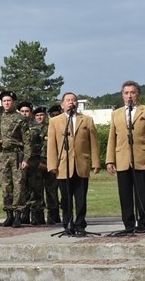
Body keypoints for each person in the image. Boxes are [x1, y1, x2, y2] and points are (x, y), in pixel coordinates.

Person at [105, 81, 145, 233]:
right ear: (122, 96)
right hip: (122, 159)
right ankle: (128, 224)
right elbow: (112, 138)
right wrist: (109, 160)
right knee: (125, 194)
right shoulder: (116, 113)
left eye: (132, 92)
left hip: (141, 158)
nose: (129, 96)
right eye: (126, 93)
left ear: (138, 94)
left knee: (143, 193)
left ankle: (143, 223)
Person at [46, 92, 101, 236]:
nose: (71, 102)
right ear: (62, 104)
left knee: (81, 198)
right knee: (65, 199)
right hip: (63, 166)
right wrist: (52, 165)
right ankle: (68, 224)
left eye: (74, 100)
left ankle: (80, 224)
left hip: (81, 164)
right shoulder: (55, 121)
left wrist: (96, 162)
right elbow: (52, 145)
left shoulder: (87, 120)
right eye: (68, 100)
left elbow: (94, 143)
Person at [0, 91, 31, 227]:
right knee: (5, 186)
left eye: (9, 101)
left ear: (14, 102)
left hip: (17, 155)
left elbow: (27, 141)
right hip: (2, 156)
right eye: (4, 101)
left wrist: (26, 159)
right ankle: (9, 215)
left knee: (18, 186)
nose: (6, 103)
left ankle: (18, 215)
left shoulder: (20, 119)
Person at [20, 103, 46, 225]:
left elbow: (44, 146)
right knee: (23, 189)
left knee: (36, 190)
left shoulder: (38, 127)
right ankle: (24, 214)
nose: (25, 113)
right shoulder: (17, 126)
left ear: (31, 113)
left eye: (27, 111)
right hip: (21, 161)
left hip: (35, 162)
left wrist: (43, 161)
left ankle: (37, 215)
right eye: (22, 111)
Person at [35, 106, 60, 224]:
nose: (40, 117)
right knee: (37, 191)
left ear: (46, 116)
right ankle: (38, 216)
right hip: (37, 163)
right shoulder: (31, 129)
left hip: (50, 162)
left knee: (51, 191)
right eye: (37, 115)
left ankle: (53, 215)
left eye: (42, 115)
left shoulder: (51, 127)